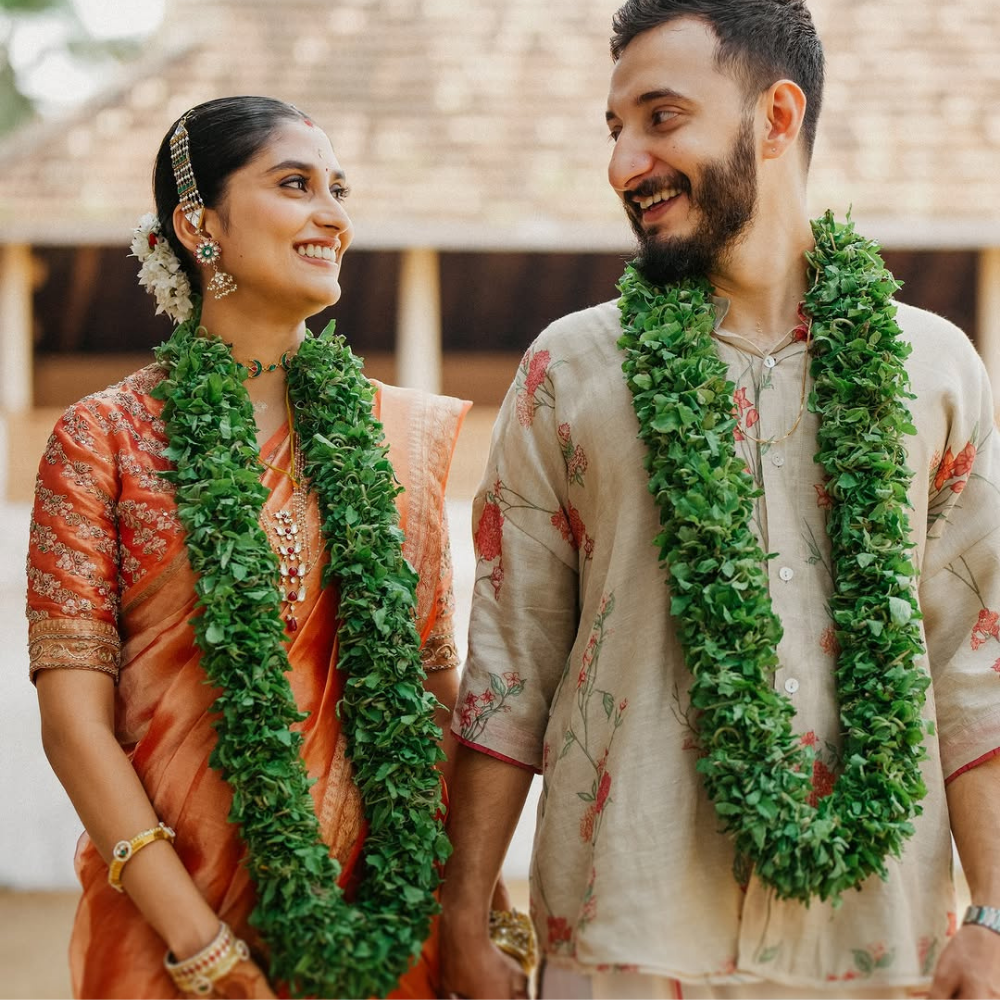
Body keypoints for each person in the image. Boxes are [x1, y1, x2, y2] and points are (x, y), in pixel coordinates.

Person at [439, 2, 1000, 998]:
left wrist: (994, 916)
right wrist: (465, 910)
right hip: (619, 936)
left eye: (660, 118)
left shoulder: (934, 369)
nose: (624, 164)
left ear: (775, 117)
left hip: (874, 949)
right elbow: (509, 660)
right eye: (614, 130)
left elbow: (976, 669)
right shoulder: (568, 369)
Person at [27, 95, 470, 999]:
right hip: (172, 927)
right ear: (198, 224)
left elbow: (435, 692)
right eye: (296, 185)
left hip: (384, 929)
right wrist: (202, 948)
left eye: (339, 189)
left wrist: (470, 902)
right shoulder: (104, 439)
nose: (335, 215)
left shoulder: (401, 438)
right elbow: (75, 725)